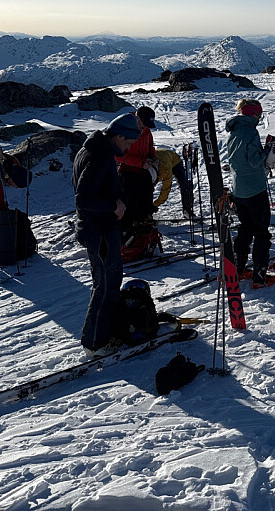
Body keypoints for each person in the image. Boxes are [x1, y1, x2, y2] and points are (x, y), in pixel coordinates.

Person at [73, 112, 139, 354]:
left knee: (107, 283)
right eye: (128, 142)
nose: (129, 147)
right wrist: (114, 205)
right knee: (107, 286)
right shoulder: (98, 156)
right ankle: (96, 342)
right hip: (99, 230)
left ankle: (101, 334)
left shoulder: (94, 149)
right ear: (119, 135)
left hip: (98, 228)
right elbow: (84, 198)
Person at [225, 99, 274, 286]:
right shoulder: (251, 132)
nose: (259, 118)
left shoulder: (234, 131)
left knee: (245, 228)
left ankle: (238, 269)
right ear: (254, 114)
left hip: (239, 189)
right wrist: (268, 150)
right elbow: (254, 161)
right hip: (255, 189)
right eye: (259, 115)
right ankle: (260, 276)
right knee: (261, 232)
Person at [116, 105, 159, 231]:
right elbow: (117, 155)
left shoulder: (146, 131)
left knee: (147, 197)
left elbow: (150, 146)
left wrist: (152, 157)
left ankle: (143, 223)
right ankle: (127, 230)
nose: (145, 127)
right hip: (127, 170)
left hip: (143, 169)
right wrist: (140, 162)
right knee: (131, 203)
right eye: (144, 124)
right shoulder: (124, 127)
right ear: (137, 118)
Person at [152, 147, 195, 218]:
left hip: (175, 162)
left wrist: (156, 204)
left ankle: (187, 210)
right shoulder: (146, 166)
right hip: (161, 157)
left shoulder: (165, 168)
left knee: (184, 185)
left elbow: (167, 186)